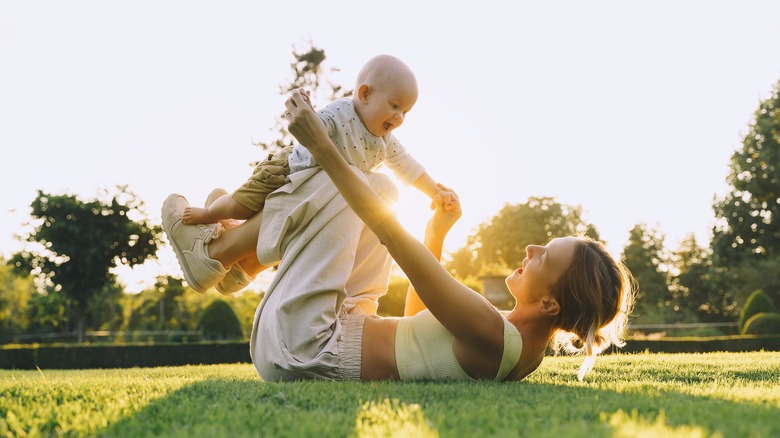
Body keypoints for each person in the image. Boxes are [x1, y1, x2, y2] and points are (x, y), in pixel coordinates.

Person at [162, 89, 635, 382]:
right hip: (333, 330)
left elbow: (390, 235)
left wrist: (321, 144)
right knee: (382, 186)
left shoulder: (495, 334)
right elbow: (421, 319)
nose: (531, 248)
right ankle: (248, 260)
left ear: (551, 305)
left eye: (544, 257)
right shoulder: (513, 344)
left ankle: (218, 252)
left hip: (304, 350)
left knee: (351, 179)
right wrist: (435, 233)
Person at [181, 54, 457, 248]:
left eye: (406, 112)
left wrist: (435, 192)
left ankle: (232, 242)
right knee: (240, 207)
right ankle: (210, 215)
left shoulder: (386, 140)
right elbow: (313, 126)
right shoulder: (342, 112)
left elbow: (408, 167)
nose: (399, 118)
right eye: (395, 106)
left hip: (314, 193)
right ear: (364, 94)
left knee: (275, 232)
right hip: (287, 171)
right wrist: (307, 109)